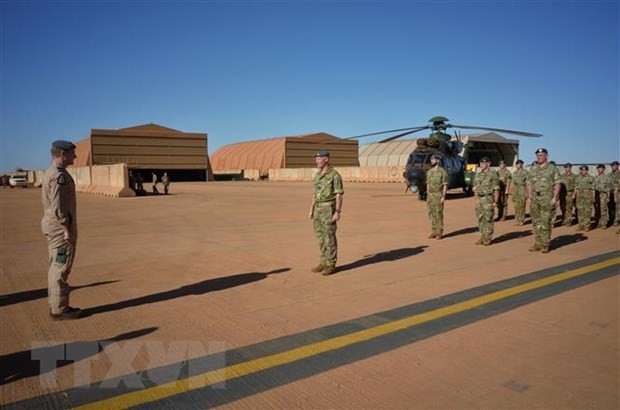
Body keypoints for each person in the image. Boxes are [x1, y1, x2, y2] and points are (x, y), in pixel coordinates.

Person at [41, 140, 84, 320]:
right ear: (63, 154)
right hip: (60, 230)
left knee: (55, 267)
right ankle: (59, 310)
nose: (75, 156)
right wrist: (66, 228)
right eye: (72, 153)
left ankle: (56, 304)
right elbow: (58, 207)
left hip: (53, 226)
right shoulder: (59, 176)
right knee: (61, 266)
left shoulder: (51, 172)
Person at [309, 150, 343, 276]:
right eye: (316, 159)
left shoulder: (334, 175)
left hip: (328, 209)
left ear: (326, 159)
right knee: (320, 236)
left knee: (329, 237)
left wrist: (337, 212)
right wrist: (311, 209)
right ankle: (323, 261)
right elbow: (314, 194)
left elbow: (339, 195)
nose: (316, 161)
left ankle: (331, 264)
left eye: (319, 159)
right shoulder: (317, 176)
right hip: (318, 209)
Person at [526, 148, 561, 253]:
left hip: (547, 198)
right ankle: (537, 243)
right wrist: (529, 197)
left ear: (546, 155)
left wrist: (555, 197)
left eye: (541, 155)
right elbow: (529, 183)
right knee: (536, 221)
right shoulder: (533, 169)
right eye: (538, 155)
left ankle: (545, 244)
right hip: (535, 198)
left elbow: (558, 183)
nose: (539, 157)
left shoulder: (552, 168)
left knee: (546, 221)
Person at [473, 157, 499, 246]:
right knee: (480, 218)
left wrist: (495, 201)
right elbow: (475, 188)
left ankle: (488, 238)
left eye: (483, 163)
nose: (481, 165)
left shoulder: (493, 174)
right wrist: (476, 199)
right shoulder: (478, 175)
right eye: (480, 163)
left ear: (488, 164)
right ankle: (482, 236)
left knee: (488, 218)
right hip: (480, 199)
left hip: (488, 198)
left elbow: (496, 189)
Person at [425, 154, 448, 239]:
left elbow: (445, 185)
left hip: (438, 194)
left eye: (433, 160)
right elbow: (427, 183)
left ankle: (439, 232)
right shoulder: (429, 171)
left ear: (438, 161)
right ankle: (433, 231)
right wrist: (428, 194)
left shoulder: (442, 172)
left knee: (438, 214)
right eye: (431, 159)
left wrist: (443, 196)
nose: (432, 161)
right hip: (431, 195)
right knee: (432, 213)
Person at [573, 165, 595, 231]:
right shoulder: (577, 178)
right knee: (580, 211)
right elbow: (576, 187)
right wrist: (574, 195)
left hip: (588, 197)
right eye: (581, 170)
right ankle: (581, 225)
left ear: (587, 170)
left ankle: (587, 226)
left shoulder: (591, 178)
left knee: (587, 211)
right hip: (580, 197)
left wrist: (593, 197)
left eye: (584, 170)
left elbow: (593, 189)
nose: (583, 171)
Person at [510, 159, 528, 226]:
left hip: (522, 189)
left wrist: (527, 193)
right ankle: (517, 219)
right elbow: (512, 182)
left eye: (520, 164)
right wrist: (511, 190)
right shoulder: (514, 173)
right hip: (515, 190)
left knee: (522, 205)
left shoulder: (525, 172)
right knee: (516, 206)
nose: (518, 165)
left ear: (522, 164)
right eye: (517, 164)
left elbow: (527, 183)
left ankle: (521, 220)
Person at [593, 164, 611, 229]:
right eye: (598, 168)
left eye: (600, 168)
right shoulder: (596, 178)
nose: (599, 169)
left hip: (604, 195)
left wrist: (608, 197)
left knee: (603, 210)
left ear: (603, 169)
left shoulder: (607, 178)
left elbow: (608, 188)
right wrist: (593, 197)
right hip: (597, 195)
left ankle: (604, 224)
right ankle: (598, 223)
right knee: (597, 210)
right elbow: (593, 188)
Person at [609, 161, 619, 227]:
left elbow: (617, 186)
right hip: (610, 193)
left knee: (618, 208)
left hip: (618, 193)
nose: (613, 167)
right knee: (610, 207)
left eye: (614, 165)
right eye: (612, 166)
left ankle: (617, 221)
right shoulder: (609, 175)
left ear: (617, 166)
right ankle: (611, 220)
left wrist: (615, 196)